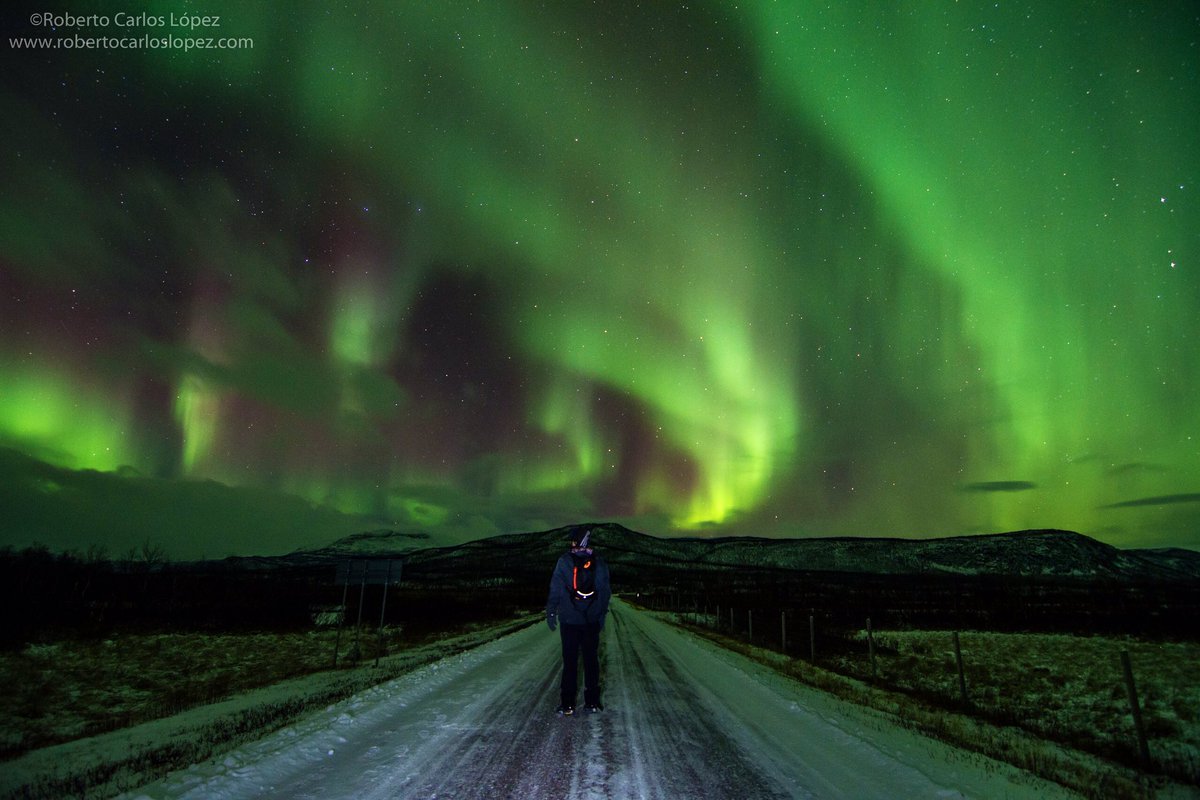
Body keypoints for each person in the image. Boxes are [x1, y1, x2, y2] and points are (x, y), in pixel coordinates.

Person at [546, 526, 611, 716]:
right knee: (591, 662)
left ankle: (567, 705)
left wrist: (551, 611)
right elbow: (605, 593)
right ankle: (592, 703)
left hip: (569, 621)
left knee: (570, 663)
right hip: (590, 621)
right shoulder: (599, 562)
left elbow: (555, 589)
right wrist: (600, 616)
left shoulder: (564, 561)